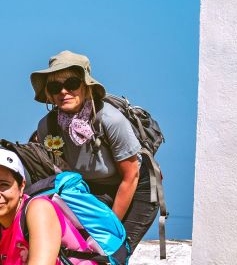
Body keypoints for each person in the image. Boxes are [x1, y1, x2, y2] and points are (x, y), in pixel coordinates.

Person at [29, 50, 158, 251]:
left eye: (71, 84)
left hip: (135, 187)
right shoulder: (47, 126)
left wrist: (109, 228)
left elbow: (130, 175)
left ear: (85, 85)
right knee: (79, 252)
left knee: (112, 253)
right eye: (55, 86)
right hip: (93, 191)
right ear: (49, 93)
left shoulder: (109, 120)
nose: (63, 92)